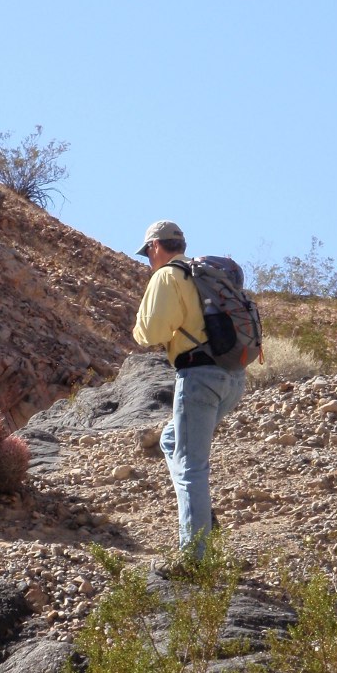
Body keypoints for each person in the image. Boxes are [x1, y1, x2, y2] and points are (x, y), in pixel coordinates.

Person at [132, 220, 246, 567]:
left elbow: (151, 332)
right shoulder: (204, 274)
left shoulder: (167, 276)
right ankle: (203, 519)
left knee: (190, 467)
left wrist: (139, 330)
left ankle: (194, 558)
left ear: (155, 247)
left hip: (199, 377)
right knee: (170, 441)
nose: (148, 260)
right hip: (233, 378)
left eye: (147, 253)